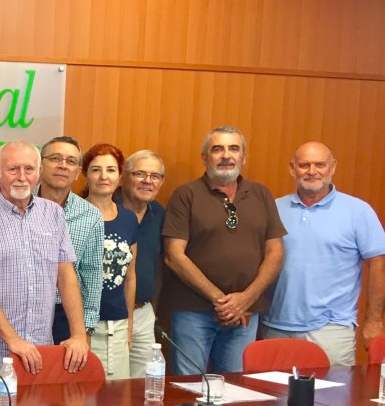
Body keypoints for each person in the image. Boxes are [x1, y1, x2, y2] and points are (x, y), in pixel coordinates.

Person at [0, 141, 89, 388]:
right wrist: (14, 341)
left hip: (40, 354)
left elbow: (66, 275)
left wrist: (79, 335)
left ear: (39, 173)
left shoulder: (54, 214)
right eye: (13, 169)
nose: (22, 177)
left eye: (29, 169)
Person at [161, 126, 285, 378]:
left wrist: (245, 299)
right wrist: (222, 301)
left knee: (235, 390)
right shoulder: (186, 195)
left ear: (244, 157)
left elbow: (275, 252)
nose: (226, 155)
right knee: (190, 387)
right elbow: (174, 255)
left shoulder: (261, 194)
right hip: (192, 312)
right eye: (217, 149)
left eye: (233, 149)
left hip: (245, 314)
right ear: (204, 158)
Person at [265, 141, 385, 366]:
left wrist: (375, 321)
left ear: (333, 167)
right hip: (274, 327)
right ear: (292, 168)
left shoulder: (358, 211)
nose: (312, 171)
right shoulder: (273, 209)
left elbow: (379, 265)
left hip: (331, 330)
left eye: (320, 164)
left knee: (330, 400)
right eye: (304, 165)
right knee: (273, 399)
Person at [80, 143, 138, 406]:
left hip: (117, 323)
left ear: (120, 177)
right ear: (85, 175)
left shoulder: (128, 219)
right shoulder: (71, 214)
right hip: (83, 327)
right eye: (96, 169)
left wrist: (128, 326)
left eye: (111, 170)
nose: (104, 176)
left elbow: (130, 276)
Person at [37, 136, 104, 345]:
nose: (63, 166)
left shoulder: (90, 215)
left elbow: (92, 272)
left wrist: (86, 329)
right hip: (22, 309)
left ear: (77, 172)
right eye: (55, 158)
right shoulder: (19, 205)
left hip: (65, 314)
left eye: (71, 161)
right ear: (40, 166)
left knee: (60, 377)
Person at [117, 150, 167, 386]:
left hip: (144, 312)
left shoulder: (159, 213)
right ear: (123, 177)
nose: (148, 181)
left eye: (155, 176)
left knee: (143, 385)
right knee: (111, 388)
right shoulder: (106, 208)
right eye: (140, 174)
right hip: (109, 315)